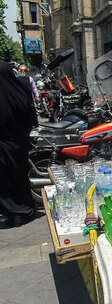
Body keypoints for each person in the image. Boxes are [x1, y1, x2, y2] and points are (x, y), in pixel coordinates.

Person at [0, 60, 38, 227]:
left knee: (5, 181)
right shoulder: (19, 91)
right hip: (19, 143)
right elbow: (31, 116)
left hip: (3, 146)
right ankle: (24, 209)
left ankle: (12, 212)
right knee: (20, 177)